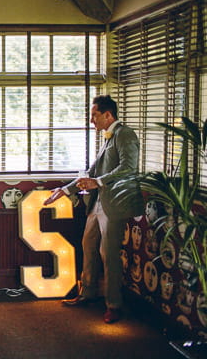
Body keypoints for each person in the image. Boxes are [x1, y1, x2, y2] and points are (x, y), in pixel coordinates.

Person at [44, 95, 143, 324]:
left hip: (115, 205)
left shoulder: (125, 134)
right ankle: (87, 293)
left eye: (94, 115)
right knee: (88, 246)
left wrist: (98, 182)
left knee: (108, 255)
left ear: (108, 115)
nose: (91, 120)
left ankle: (114, 305)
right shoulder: (108, 138)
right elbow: (92, 171)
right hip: (97, 204)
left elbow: (129, 168)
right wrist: (65, 190)